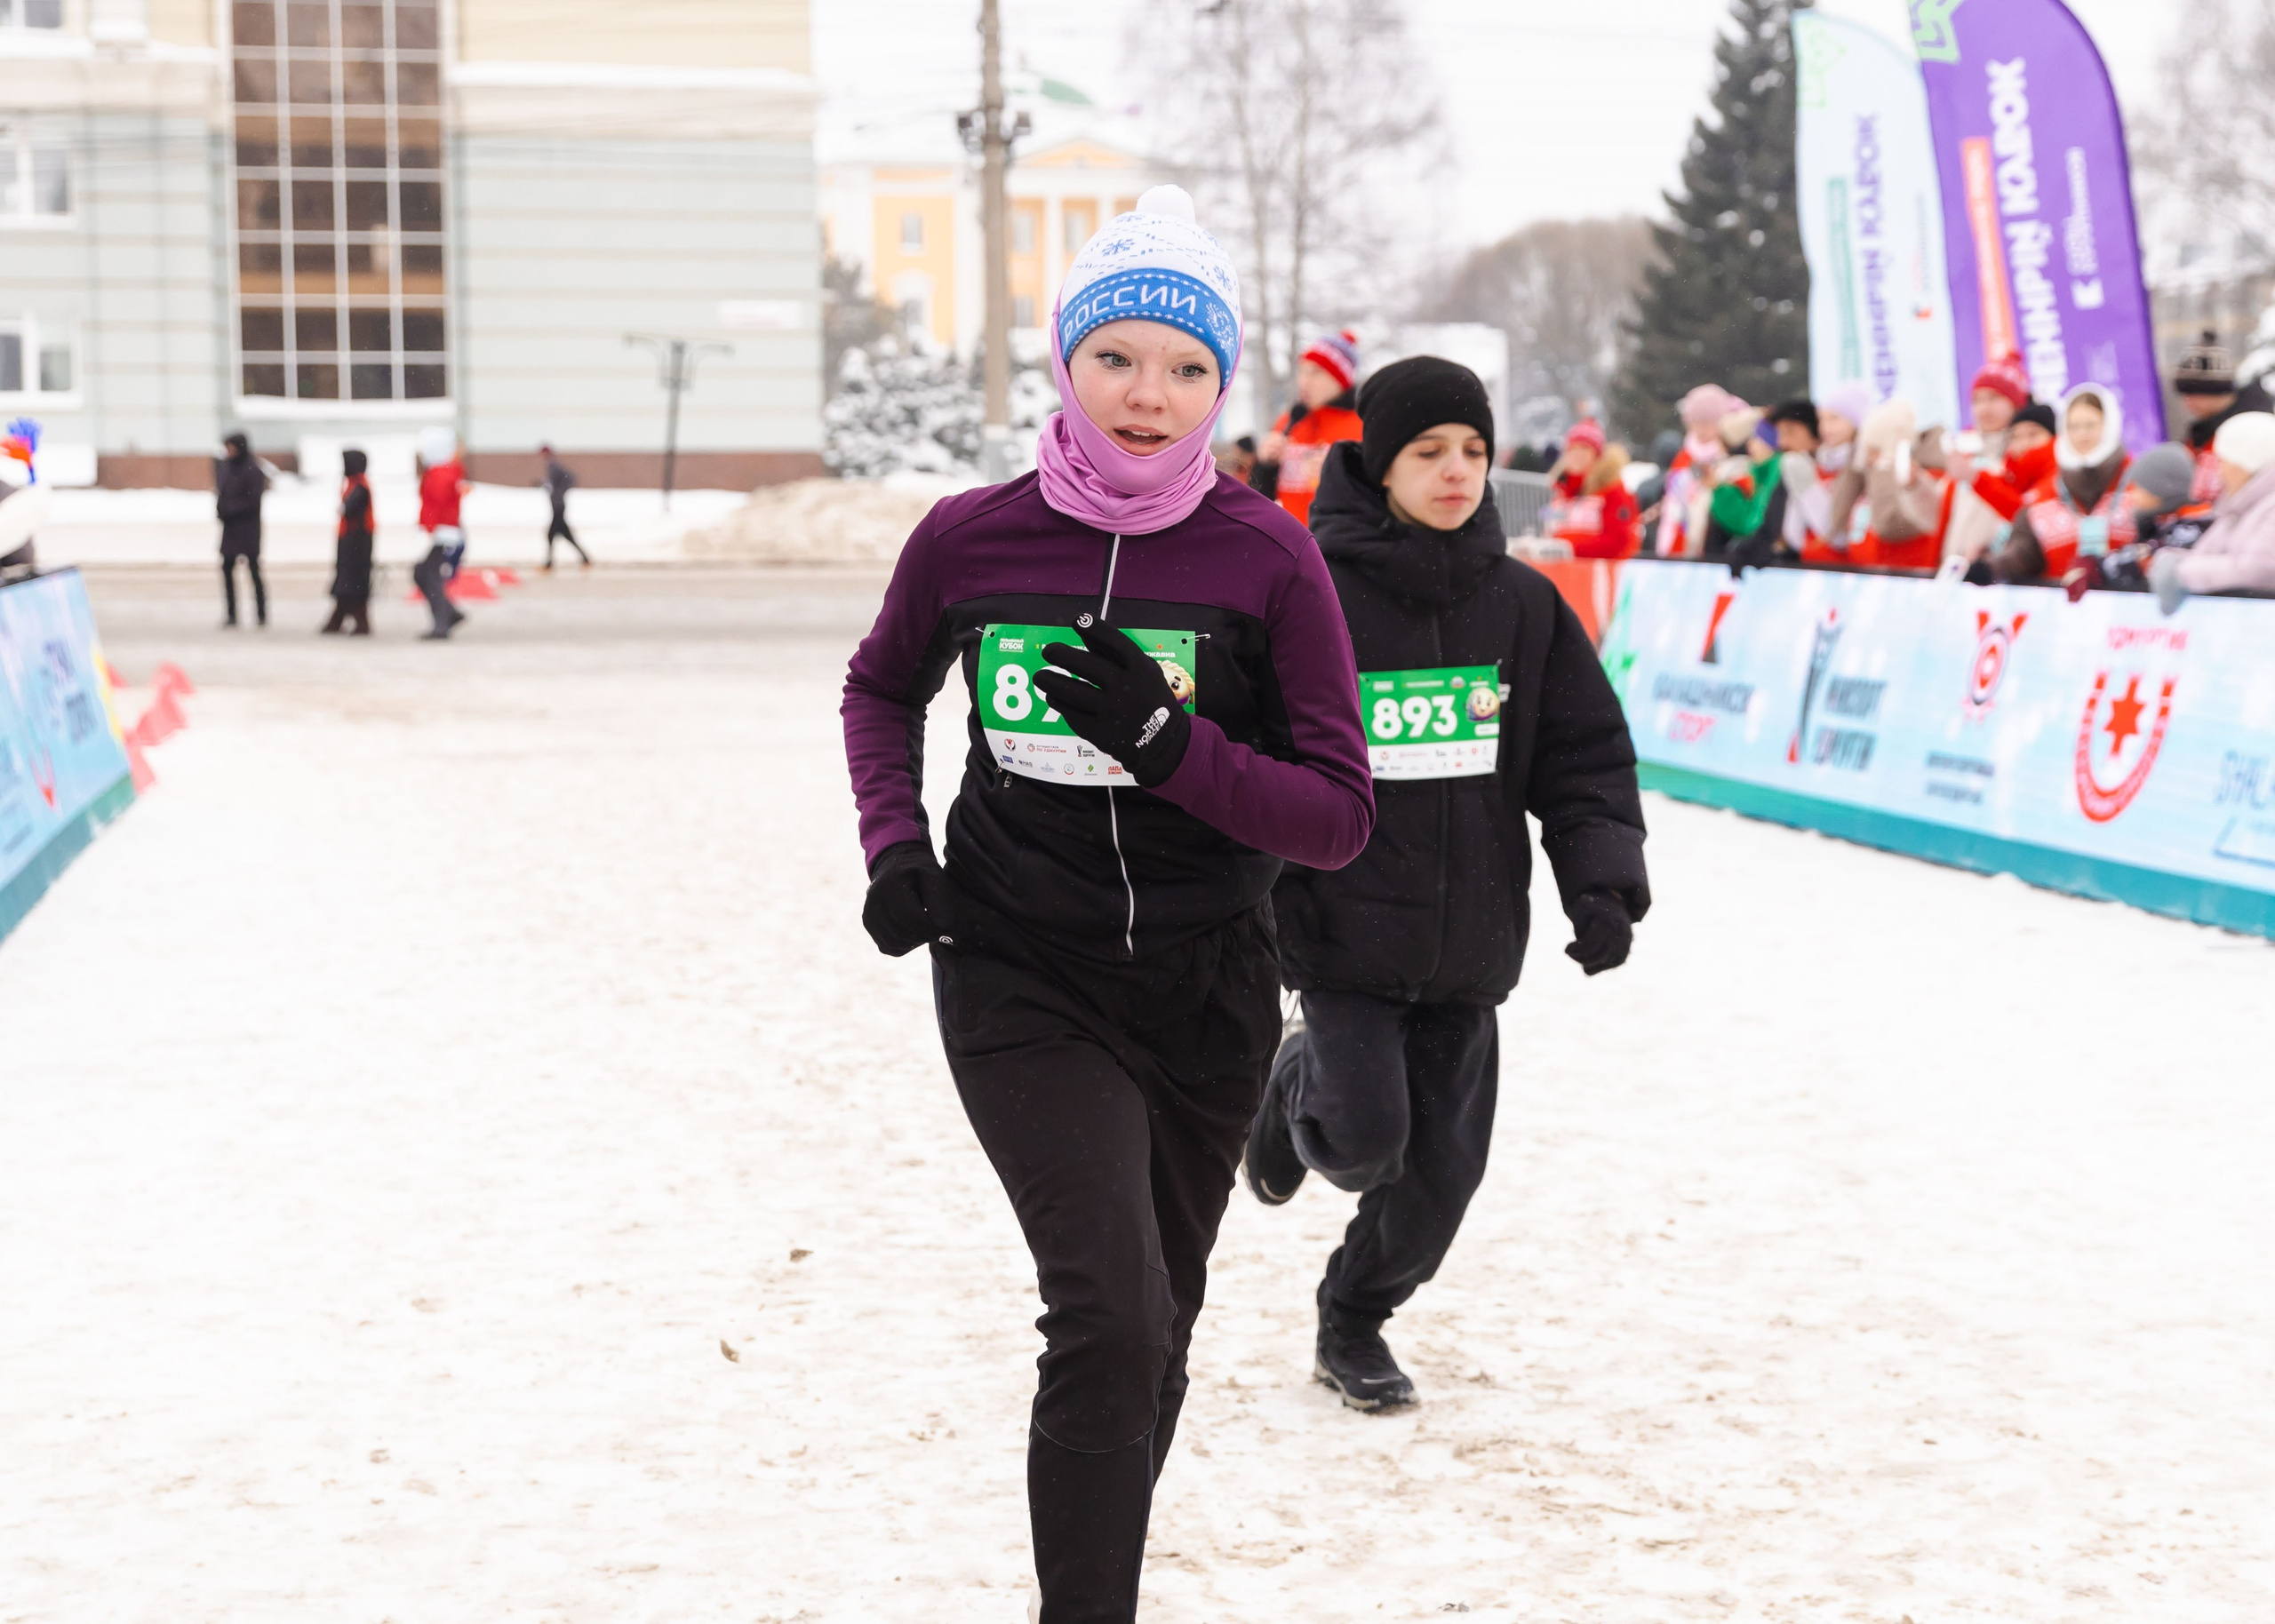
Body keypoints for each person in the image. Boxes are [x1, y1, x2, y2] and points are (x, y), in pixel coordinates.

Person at [840, 185, 1373, 1622]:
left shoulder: (1267, 558)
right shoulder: (971, 539)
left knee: (1161, 1324)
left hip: (1206, 985)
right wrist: (897, 846)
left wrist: (1168, 745)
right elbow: (882, 683)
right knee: (1108, 1308)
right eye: (1119, 358)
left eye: (1188, 367)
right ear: (1066, 362)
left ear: (1223, 383)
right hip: (1020, 968)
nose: (1150, 397)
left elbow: (1335, 812)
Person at [1244, 356, 1648, 1412]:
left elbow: (1583, 758)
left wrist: (1600, 886)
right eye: (1429, 452)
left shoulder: (1522, 605)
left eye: (1472, 450)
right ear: (1379, 465)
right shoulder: (1310, 592)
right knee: (1363, 1141)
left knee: (1439, 1184)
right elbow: (1249, 750)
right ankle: (1293, 1089)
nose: (1457, 470)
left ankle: (1354, 1318)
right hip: (1338, 930)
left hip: (1467, 946)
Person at [1984, 384, 2130, 584]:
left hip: (2134, 607)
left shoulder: (2138, 480)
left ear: (2110, 424)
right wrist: (1992, 568)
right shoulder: (2045, 493)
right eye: (2073, 427)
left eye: (2091, 425)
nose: (2082, 434)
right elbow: (2025, 552)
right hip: (2063, 609)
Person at [2151, 411, 2275, 613]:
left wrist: (2181, 574)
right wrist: (2170, 560)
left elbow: (2260, 569)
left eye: (2224, 462)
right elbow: (2204, 554)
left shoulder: (2268, 507)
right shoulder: (2239, 507)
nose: (2220, 472)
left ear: (2245, 463)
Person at [1249, 328, 1363, 526]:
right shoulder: (1288, 421)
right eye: (1302, 371)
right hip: (1289, 539)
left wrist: (1336, 473)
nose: (1305, 381)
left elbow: (1376, 499)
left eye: (1316, 373)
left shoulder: (1362, 426)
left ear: (1341, 380)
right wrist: (1265, 464)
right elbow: (1259, 497)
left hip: (1338, 544)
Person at [2061, 442, 2199, 601]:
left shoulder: (2191, 525)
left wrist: (2095, 567)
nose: (2132, 495)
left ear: (2161, 490)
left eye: (2140, 488)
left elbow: (2147, 557)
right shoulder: (2155, 522)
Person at [2172, 330, 2275, 503]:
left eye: (2192, 393)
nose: (2186, 402)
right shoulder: (2200, 432)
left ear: (2214, 391)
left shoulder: (2254, 433)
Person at [1656, 384, 1743, 556]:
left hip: (1717, 545)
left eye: (1708, 422)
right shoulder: (1684, 457)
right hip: (1680, 544)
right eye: (1696, 423)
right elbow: (1672, 506)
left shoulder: (1731, 457)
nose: (1701, 429)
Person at [1543, 418, 1639, 558]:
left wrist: (1569, 548)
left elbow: (1617, 543)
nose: (1577, 454)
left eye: (1585, 448)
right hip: (1562, 573)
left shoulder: (1612, 492)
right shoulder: (1560, 493)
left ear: (1597, 456)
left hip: (1598, 575)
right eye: (1573, 448)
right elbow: (1550, 534)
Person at [415, 429, 469, 639]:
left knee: (429, 576)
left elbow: (435, 504)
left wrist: (427, 529)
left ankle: (442, 623)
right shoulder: (445, 471)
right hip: (444, 531)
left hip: (441, 533)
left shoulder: (440, 473)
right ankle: (449, 615)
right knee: (424, 574)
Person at [214, 432, 268, 629]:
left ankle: (261, 613)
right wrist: (220, 510)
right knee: (227, 570)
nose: (229, 452)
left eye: (232, 448)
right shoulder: (226, 467)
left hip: (247, 529)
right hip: (230, 529)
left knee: (254, 570)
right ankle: (231, 614)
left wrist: (231, 509)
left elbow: (253, 501)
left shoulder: (253, 470)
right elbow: (222, 492)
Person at [322, 448, 375, 635]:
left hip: (357, 543)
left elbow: (349, 509)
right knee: (347, 584)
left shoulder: (360, 486)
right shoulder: (355, 484)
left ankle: (356, 622)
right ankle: (339, 620)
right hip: (351, 541)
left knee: (352, 584)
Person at [537, 444, 589, 569]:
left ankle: (549, 563)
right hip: (557, 505)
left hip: (558, 506)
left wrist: (559, 492)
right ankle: (585, 559)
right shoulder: (551, 465)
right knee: (565, 535)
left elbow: (569, 478)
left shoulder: (554, 465)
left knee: (551, 535)